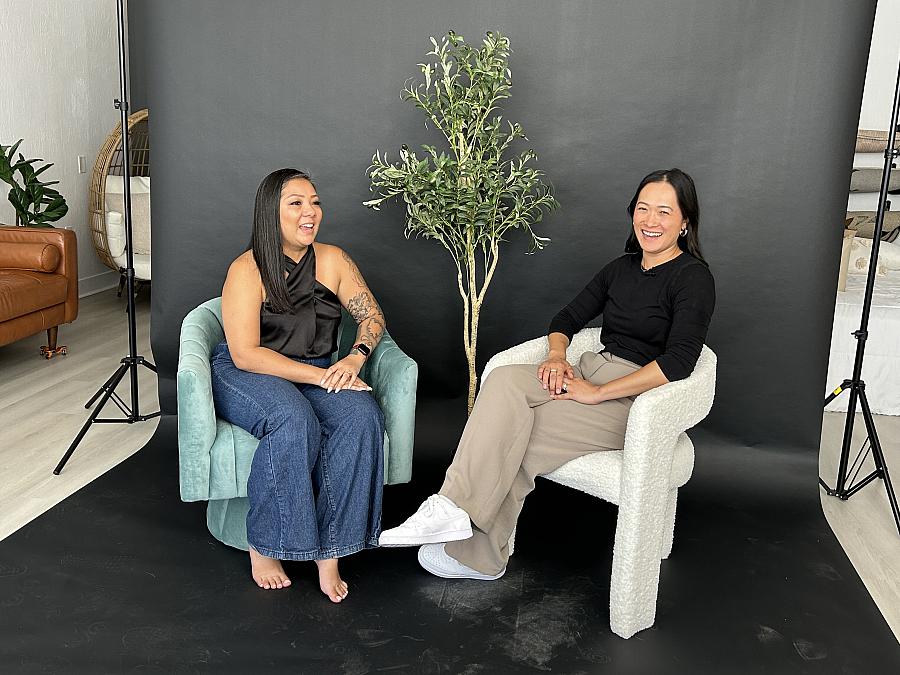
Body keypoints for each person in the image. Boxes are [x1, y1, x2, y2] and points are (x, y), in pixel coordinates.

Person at [379, 168, 715, 580]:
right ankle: (450, 508)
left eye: (664, 212)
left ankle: (479, 555)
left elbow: (680, 361)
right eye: (643, 209)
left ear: (684, 222)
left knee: (525, 431)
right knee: (502, 381)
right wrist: (557, 357)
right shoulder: (621, 268)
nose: (651, 221)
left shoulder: (693, 278)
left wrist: (597, 393)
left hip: (635, 399)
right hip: (587, 371)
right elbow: (567, 317)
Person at [210, 168, 386, 601]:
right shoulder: (246, 268)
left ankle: (331, 551)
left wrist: (353, 357)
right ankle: (265, 545)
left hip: (316, 369)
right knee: (293, 419)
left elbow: (372, 317)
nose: (311, 213)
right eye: (296, 203)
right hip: (250, 374)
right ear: (271, 212)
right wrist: (325, 377)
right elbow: (245, 353)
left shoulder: (334, 260)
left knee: (362, 416)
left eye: (315, 202)